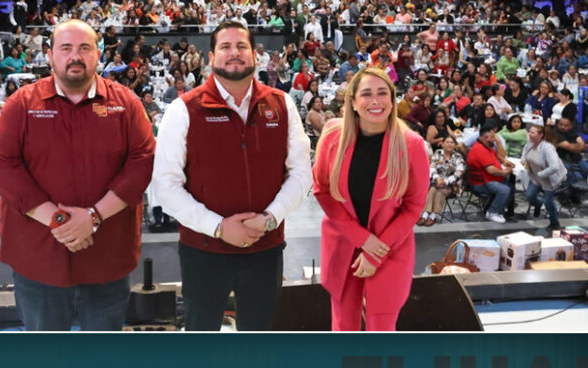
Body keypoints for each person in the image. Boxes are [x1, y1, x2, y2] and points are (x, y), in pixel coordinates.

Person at [0, 19, 155, 331]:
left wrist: (93, 216)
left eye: (84, 48)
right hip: (39, 257)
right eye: (65, 48)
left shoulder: (127, 105)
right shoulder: (21, 105)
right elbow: (4, 167)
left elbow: (142, 162)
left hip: (106, 255)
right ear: (50, 55)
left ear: (98, 53)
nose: (75, 56)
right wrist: (60, 221)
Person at [151, 21, 312, 331]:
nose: (234, 53)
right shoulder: (183, 109)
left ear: (255, 55)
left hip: (264, 246)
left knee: (258, 336)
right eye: (225, 47)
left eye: (242, 46)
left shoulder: (281, 104)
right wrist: (218, 228)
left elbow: (302, 174)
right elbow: (166, 186)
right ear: (211, 57)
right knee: (201, 337)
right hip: (204, 250)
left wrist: (269, 218)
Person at [312, 68, 429, 331]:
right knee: (343, 328)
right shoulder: (333, 135)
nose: (375, 101)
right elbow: (322, 190)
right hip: (343, 247)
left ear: (392, 99)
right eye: (366, 94)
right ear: (353, 102)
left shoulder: (412, 145)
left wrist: (375, 251)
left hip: (389, 250)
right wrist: (361, 238)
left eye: (382, 93)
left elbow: (413, 208)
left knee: (381, 331)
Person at [465, 118, 515, 223]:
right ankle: (492, 212)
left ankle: (499, 210)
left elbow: (497, 156)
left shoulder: (487, 146)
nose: (495, 139)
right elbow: (491, 170)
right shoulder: (480, 149)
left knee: (510, 187)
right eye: (493, 137)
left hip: (489, 179)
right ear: (485, 137)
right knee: (504, 190)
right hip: (481, 183)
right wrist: (505, 172)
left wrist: (504, 162)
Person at [521, 125, 566, 232]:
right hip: (535, 177)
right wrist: (524, 161)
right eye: (529, 132)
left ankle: (555, 223)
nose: (530, 135)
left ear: (541, 135)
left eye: (533, 133)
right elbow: (524, 154)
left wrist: (541, 174)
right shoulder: (530, 144)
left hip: (549, 178)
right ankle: (537, 204)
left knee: (548, 201)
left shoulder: (548, 148)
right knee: (529, 195)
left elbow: (554, 166)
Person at [421, 136, 465, 226]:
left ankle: (433, 216)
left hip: (452, 185)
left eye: (451, 142)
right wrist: (437, 178)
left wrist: (446, 181)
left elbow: (459, 173)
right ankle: (425, 215)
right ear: (443, 144)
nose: (449, 144)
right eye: (447, 142)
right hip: (436, 182)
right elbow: (432, 167)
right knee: (432, 189)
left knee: (441, 191)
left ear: (455, 145)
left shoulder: (458, 157)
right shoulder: (437, 153)